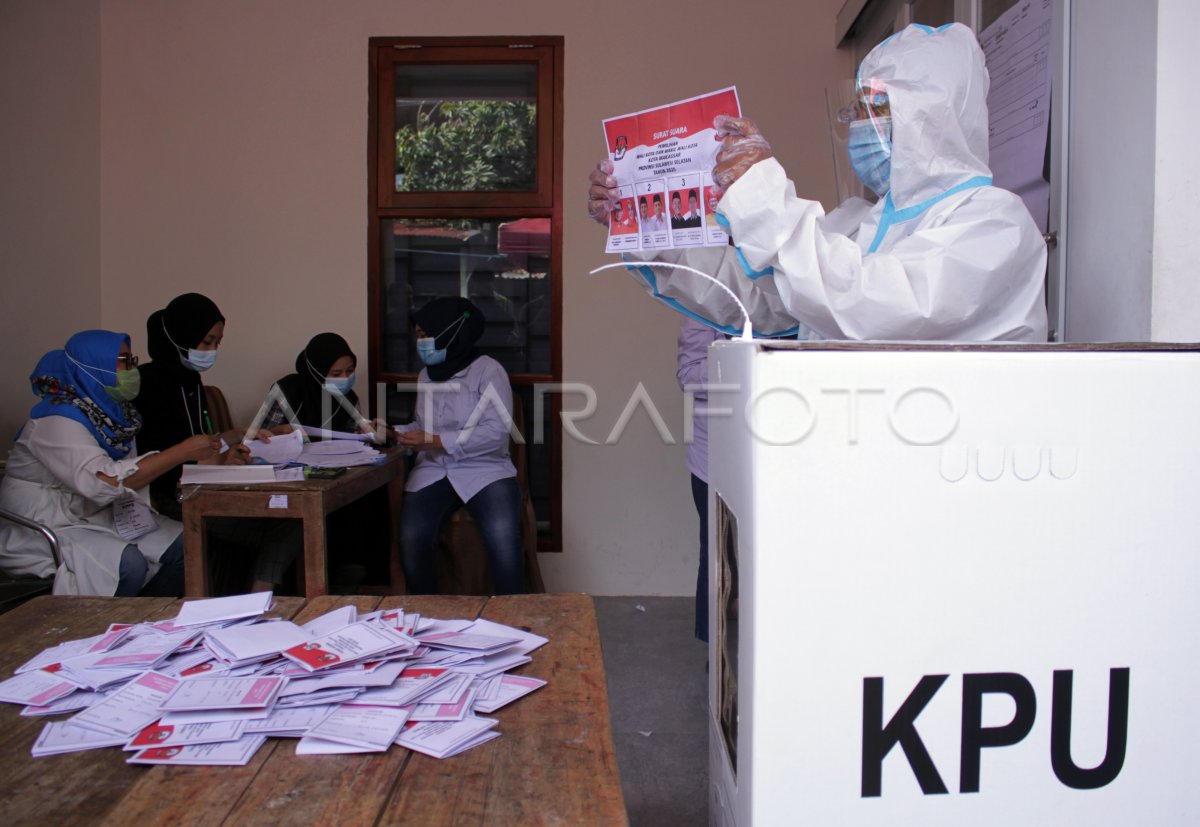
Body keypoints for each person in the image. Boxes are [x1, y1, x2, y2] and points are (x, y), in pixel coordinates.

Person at [588, 23, 1048, 342]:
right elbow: (759, 299)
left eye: (874, 110)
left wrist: (762, 192)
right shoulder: (857, 224)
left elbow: (872, 305)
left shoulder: (994, 225)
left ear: (931, 118)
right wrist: (645, 224)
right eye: (857, 111)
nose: (858, 125)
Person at [0, 330, 213, 595]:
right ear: (93, 367)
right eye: (124, 361)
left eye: (131, 360)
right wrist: (180, 452)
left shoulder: (113, 417)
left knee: (187, 545)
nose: (131, 370)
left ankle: (145, 622)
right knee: (129, 566)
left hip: (96, 515)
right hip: (45, 525)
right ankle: (111, 630)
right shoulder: (56, 420)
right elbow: (105, 482)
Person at [135, 292, 300, 594]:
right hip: (172, 499)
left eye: (217, 343)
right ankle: (256, 599)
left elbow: (203, 442)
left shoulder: (190, 380)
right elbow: (161, 459)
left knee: (290, 518)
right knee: (285, 521)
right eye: (207, 341)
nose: (212, 351)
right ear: (181, 336)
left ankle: (258, 596)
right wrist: (217, 461)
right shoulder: (148, 386)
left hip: (203, 486)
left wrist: (234, 443)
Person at [396, 297, 525, 595]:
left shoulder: (488, 371)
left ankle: (515, 615)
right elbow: (422, 426)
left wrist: (436, 441)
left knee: (503, 537)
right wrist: (393, 432)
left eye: (425, 334)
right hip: (434, 470)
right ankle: (427, 617)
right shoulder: (426, 376)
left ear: (449, 332)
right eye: (418, 336)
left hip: (485, 469)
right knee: (412, 537)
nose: (421, 342)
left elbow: (496, 432)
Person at [677, 317, 723, 642]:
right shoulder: (702, 307)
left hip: (781, 452)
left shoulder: (788, 299)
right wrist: (741, 363)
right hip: (713, 458)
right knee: (717, 555)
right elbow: (688, 376)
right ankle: (715, 653)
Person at [261, 333, 374, 437]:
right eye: (336, 374)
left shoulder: (349, 397)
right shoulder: (286, 391)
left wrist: (371, 432)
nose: (345, 378)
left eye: (350, 370)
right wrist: (277, 431)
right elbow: (259, 438)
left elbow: (355, 437)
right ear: (317, 372)